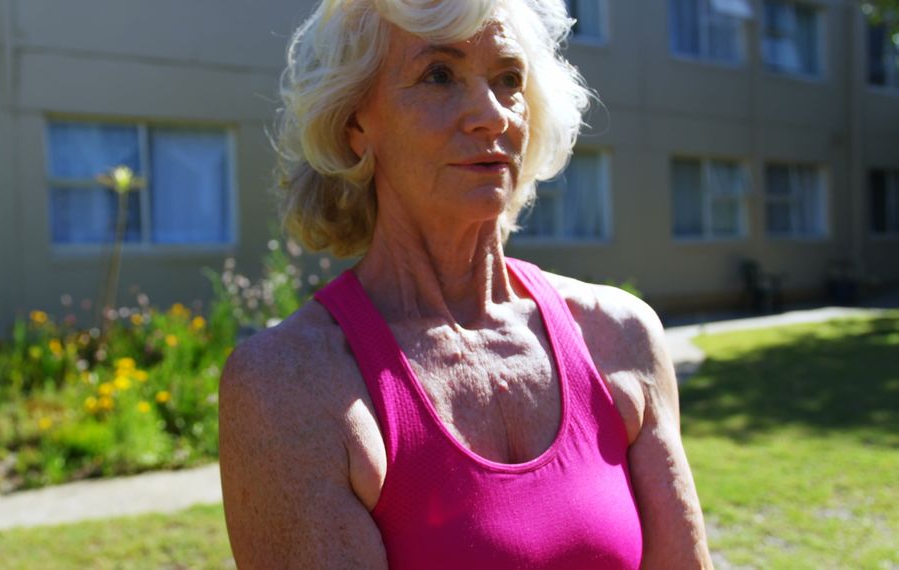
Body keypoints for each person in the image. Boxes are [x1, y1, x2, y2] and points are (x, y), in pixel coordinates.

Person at [219, 0, 713, 567]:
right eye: (439, 75)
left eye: (508, 80)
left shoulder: (621, 337)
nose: (493, 115)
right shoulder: (289, 384)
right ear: (355, 124)